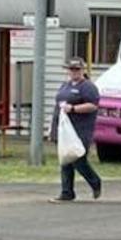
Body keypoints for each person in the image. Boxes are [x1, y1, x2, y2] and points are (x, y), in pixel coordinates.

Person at [50, 58, 102, 203]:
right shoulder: (64, 86)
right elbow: (57, 107)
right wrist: (53, 129)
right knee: (65, 159)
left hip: (80, 129)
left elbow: (93, 105)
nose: (74, 72)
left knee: (78, 159)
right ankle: (67, 191)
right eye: (71, 69)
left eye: (77, 69)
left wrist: (73, 108)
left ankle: (95, 181)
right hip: (64, 129)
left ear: (82, 70)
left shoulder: (87, 87)